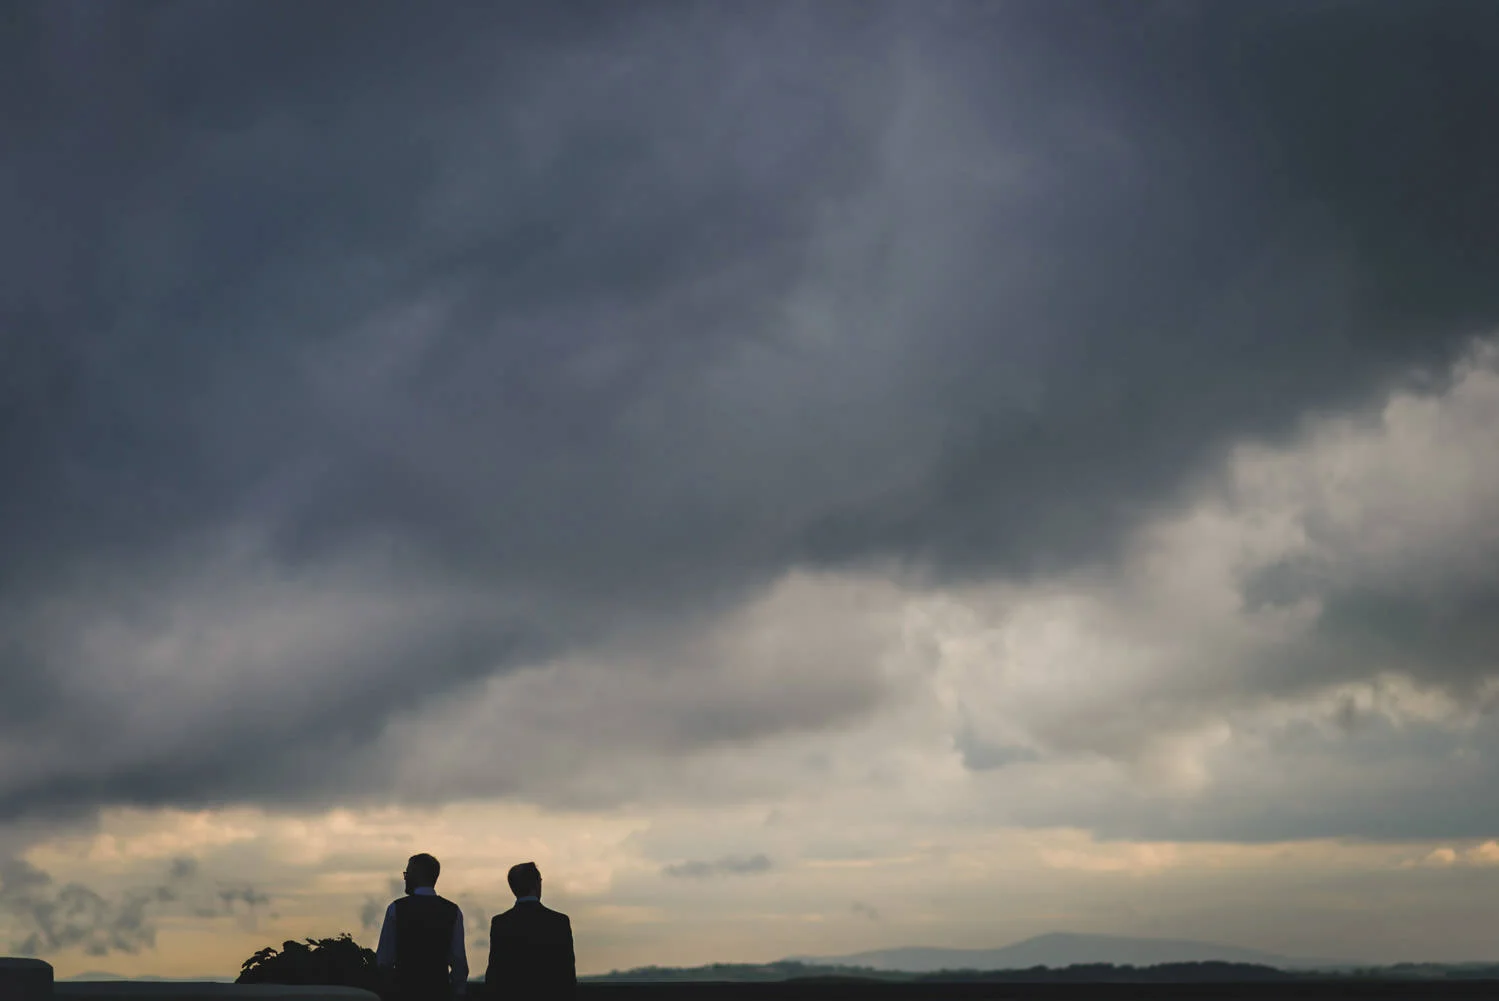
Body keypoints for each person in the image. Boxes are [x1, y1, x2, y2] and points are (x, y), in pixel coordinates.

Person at [376, 853, 469, 1001]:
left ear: (416, 875)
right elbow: (458, 961)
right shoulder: (453, 911)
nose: (405, 877)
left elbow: (384, 960)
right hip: (439, 991)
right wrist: (459, 991)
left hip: (404, 991)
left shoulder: (396, 908)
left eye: (407, 873)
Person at [485, 862, 575, 1001]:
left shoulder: (500, 923)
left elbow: (495, 972)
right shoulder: (559, 922)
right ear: (537, 883)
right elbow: (567, 972)